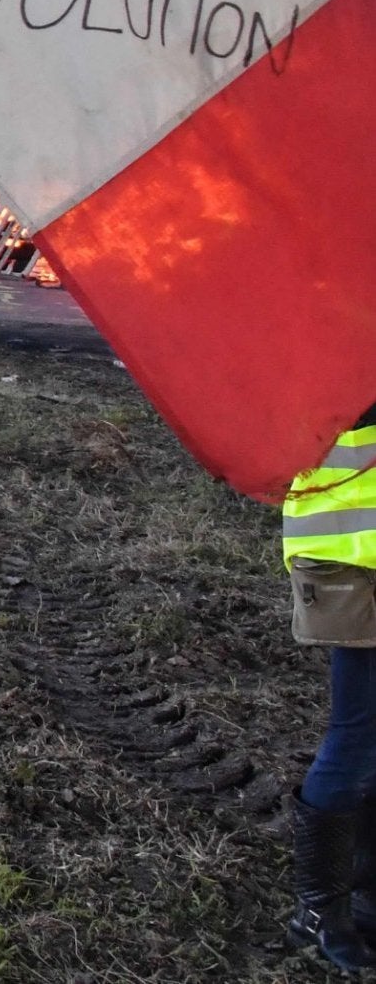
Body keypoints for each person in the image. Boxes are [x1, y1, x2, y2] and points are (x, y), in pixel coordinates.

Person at [282, 412, 376, 974]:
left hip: (356, 559)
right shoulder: (345, 353)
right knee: (356, 739)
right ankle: (318, 914)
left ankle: (365, 899)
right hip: (357, 568)